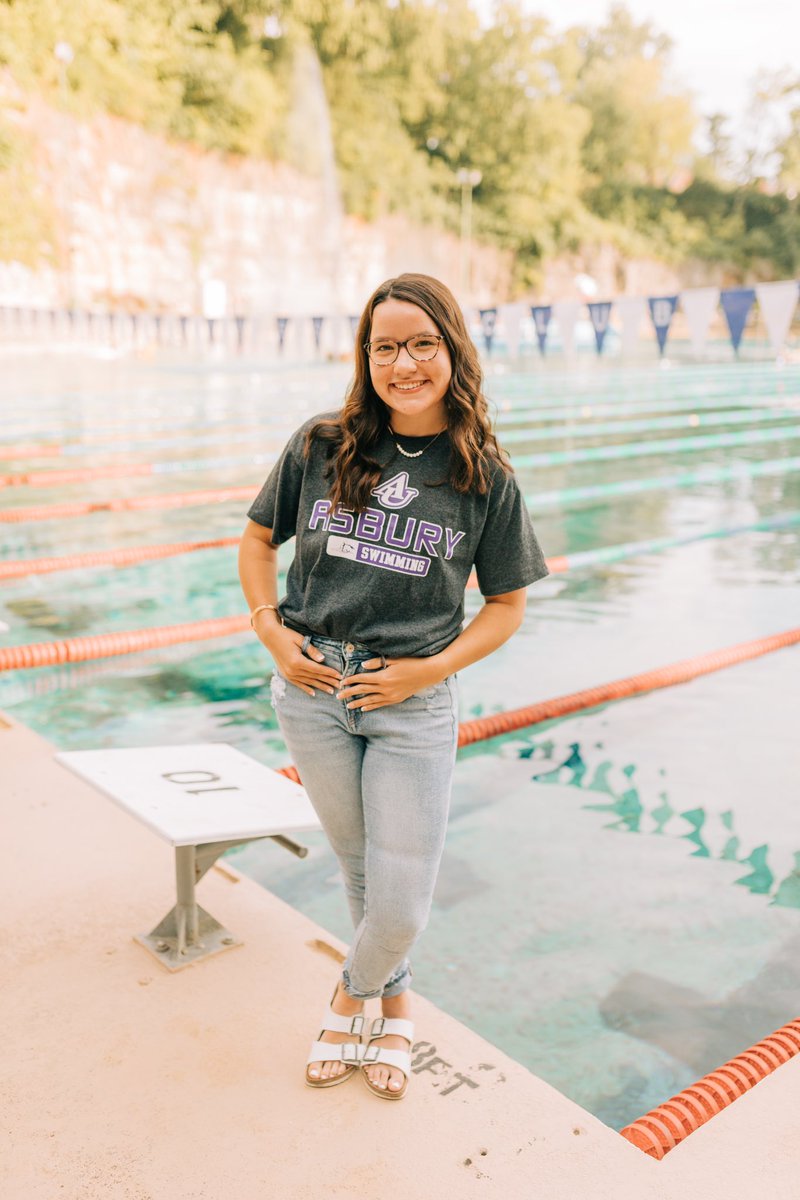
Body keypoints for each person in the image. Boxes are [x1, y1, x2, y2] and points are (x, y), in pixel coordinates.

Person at [238, 272, 549, 1100]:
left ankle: (350, 996)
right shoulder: (321, 444)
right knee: (363, 871)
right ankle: (399, 1006)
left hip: (411, 701)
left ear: (451, 349)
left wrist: (431, 668)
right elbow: (257, 541)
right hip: (311, 688)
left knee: (400, 897)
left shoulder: (485, 475)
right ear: (365, 355)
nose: (403, 362)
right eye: (385, 346)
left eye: (421, 344)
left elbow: (508, 605)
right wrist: (271, 632)